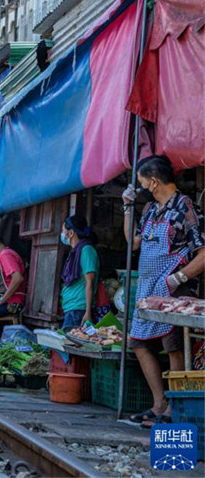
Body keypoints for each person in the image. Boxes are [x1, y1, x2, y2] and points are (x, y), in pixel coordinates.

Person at [122, 155, 205, 425]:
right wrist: (126, 209)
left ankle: (174, 409)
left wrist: (178, 278)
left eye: (143, 182)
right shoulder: (149, 211)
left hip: (175, 290)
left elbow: (203, 254)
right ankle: (159, 404)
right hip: (147, 291)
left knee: (174, 347)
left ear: (154, 182)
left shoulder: (186, 207)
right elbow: (133, 245)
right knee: (138, 343)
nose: (142, 187)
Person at [59, 215, 100, 328]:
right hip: (72, 308)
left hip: (79, 309)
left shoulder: (86, 250)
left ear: (71, 233)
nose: (62, 235)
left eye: (63, 231)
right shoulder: (75, 252)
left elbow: (89, 282)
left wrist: (88, 312)